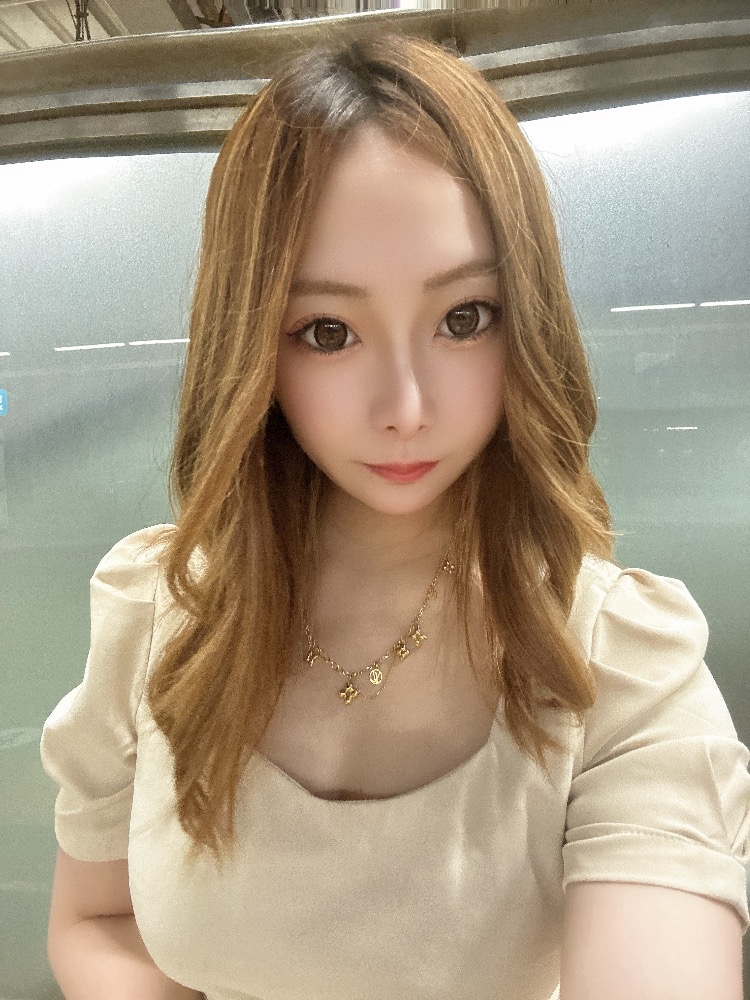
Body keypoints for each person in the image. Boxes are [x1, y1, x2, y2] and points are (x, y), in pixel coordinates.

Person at [40, 31, 750, 1000]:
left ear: (526, 316)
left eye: (465, 317)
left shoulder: (617, 666)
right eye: (328, 331)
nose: (406, 406)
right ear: (252, 347)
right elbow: (97, 917)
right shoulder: (161, 612)